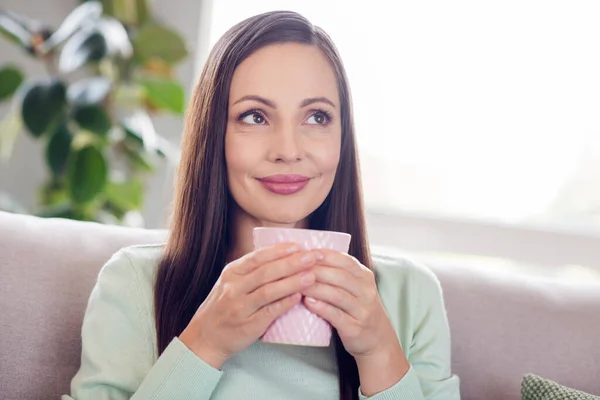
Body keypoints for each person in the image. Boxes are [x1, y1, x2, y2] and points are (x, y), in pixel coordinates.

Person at [63, 10, 460, 400]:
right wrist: (204, 344)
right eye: (255, 116)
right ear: (213, 133)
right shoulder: (135, 283)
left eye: (317, 116)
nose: (288, 151)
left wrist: (379, 353)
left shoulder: (410, 295)